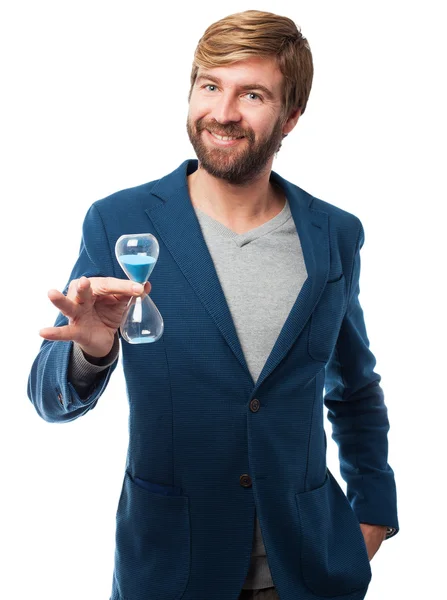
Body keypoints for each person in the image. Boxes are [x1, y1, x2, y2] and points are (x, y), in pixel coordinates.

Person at [28, 9, 398, 600]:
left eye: (251, 94)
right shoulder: (120, 221)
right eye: (210, 86)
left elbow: (353, 389)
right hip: (173, 567)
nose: (223, 113)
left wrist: (373, 513)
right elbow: (49, 400)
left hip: (309, 570)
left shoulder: (334, 234)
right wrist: (91, 355)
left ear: (291, 116)